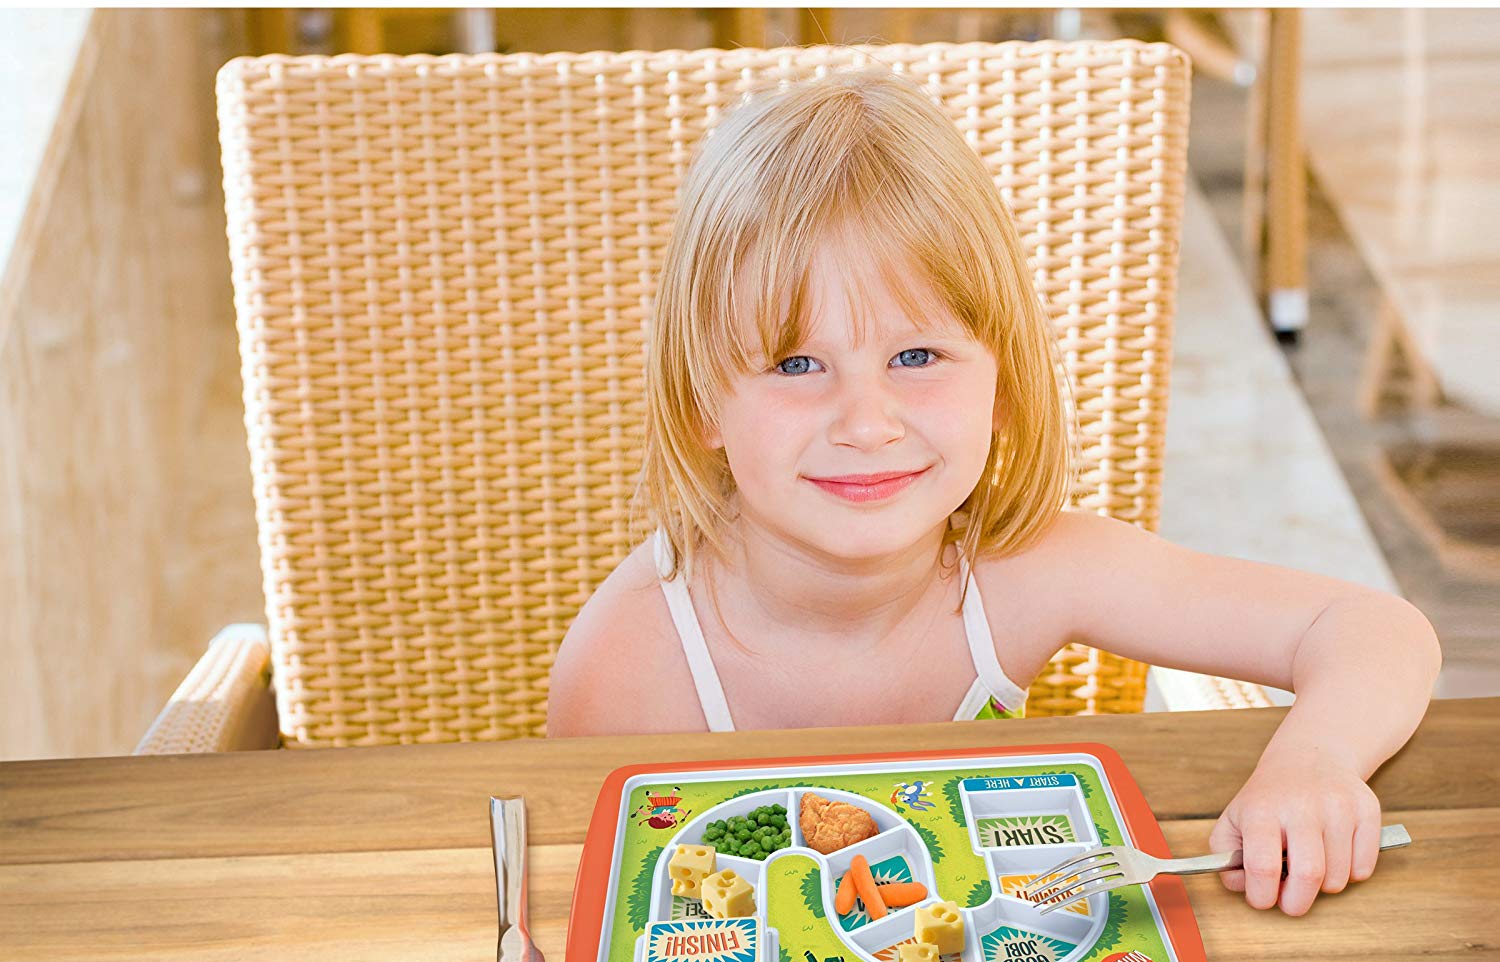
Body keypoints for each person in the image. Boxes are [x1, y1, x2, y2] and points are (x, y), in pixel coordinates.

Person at [546, 68, 1442, 918]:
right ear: (703, 399)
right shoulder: (634, 658)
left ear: (1003, 385)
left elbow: (1374, 630)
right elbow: (581, 906)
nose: (867, 422)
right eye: (797, 362)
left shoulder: (1028, 569)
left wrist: (1314, 760)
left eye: (916, 356)